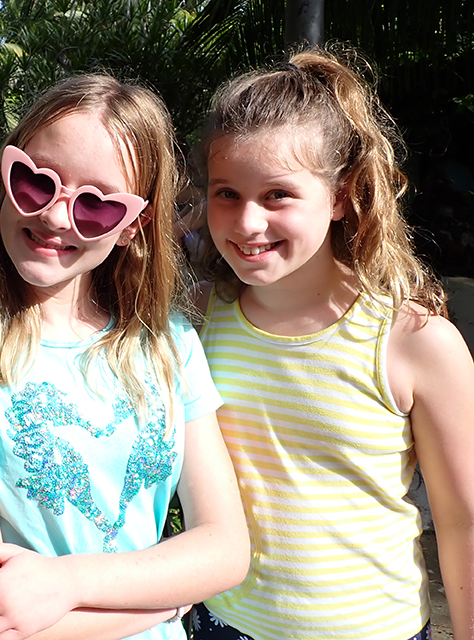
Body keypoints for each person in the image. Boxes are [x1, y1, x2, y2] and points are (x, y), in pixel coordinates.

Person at [0, 74, 249, 640]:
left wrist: (65, 585)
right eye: (36, 182)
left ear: (133, 226)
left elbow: (225, 550)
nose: (56, 217)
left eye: (95, 207)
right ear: (5, 178)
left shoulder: (171, 344)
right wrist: (164, 599)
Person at [190, 47, 474, 640]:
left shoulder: (414, 344)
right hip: (223, 627)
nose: (246, 223)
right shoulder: (197, 322)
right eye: (226, 193)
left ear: (342, 195)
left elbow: (462, 523)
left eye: (277, 195)